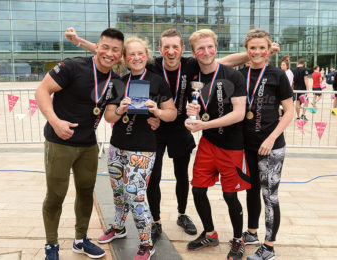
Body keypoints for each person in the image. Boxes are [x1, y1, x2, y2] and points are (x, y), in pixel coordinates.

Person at [64, 27, 270, 240]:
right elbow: (114, 55)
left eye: (175, 47)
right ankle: (156, 220)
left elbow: (224, 60)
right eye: (166, 48)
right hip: (156, 127)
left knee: (183, 176)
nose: (171, 52)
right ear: (160, 50)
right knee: (153, 178)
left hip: (181, 128)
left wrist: (255, 53)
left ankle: (182, 214)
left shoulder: (190, 64)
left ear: (182, 49)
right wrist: (80, 41)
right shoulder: (151, 64)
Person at [35, 28, 125, 260]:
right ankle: (51, 244)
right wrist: (55, 122)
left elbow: (108, 116)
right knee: (56, 194)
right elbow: (42, 91)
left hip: (88, 144)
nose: (109, 53)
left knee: (86, 193)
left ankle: (80, 239)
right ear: (97, 46)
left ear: (120, 54)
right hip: (60, 141)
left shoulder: (116, 80)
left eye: (116, 50)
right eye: (105, 47)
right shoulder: (72, 66)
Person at [97, 37, 177, 260]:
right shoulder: (118, 82)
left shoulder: (157, 81)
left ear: (147, 55)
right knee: (119, 193)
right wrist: (121, 110)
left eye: (140, 53)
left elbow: (171, 113)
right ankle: (119, 227)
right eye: (131, 54)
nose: (136, 58)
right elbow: (108, 116)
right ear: (124, 58)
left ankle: (146, 243)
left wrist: (157, 112)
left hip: (143, 149)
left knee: (136, 196)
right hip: (117, 148)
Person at [184, 29, 249, 260]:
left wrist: (205, 126)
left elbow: (239, 114)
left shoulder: (233, 76)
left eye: (210, 47)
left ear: (216, 47)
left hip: (231, 145)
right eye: (200, 48)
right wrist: (192, 114)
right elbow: (198, 108)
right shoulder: (193, 77)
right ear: (193, 52)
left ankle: (239, 240)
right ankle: (210, 234)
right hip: (208, 143)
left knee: (231, 196)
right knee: (198, 189)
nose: (206, 52)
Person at [239, 29, 294, 260]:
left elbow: (291, 111)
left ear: (269, 49)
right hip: (247, 144)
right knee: (251, 190)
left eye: (262, 47)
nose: (258, 52)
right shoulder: (240, 74)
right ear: (247, 50)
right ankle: (252, 232)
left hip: (271, 146)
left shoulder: (277, 75)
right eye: (253, 47)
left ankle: (269, 246)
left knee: (269, 196)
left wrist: (271, 138)